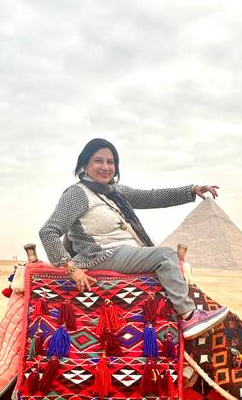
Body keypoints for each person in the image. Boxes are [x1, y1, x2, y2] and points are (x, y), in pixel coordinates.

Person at [39, 138, 229, 339]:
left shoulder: (115, 191)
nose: (105, 167)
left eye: (110, 162)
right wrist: (72, 268)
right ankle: (189, 316)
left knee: (162, 257)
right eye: (98, 161)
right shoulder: (77, 193)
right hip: (101, 254)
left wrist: (190, 191)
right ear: (85, 165)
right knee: (165, 255)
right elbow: (48, 231)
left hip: (125, 252)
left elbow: (151, 197)